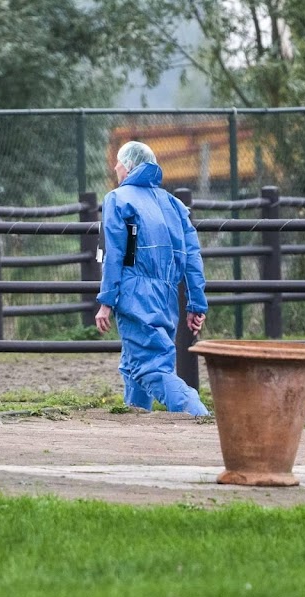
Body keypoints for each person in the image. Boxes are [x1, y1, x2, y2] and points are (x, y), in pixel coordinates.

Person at [94, 141, 209, 416]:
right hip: (167, 296)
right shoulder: (174, 205)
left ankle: (197, 414)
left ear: (130, 165)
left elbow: (115, 253)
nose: (115, 167)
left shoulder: (118, 199)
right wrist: (196, 304)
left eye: (120, 162)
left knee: (150, 367)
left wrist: (106, 301)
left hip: (135, 292)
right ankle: (136, 421)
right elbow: (192, 256)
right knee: (137, 362)